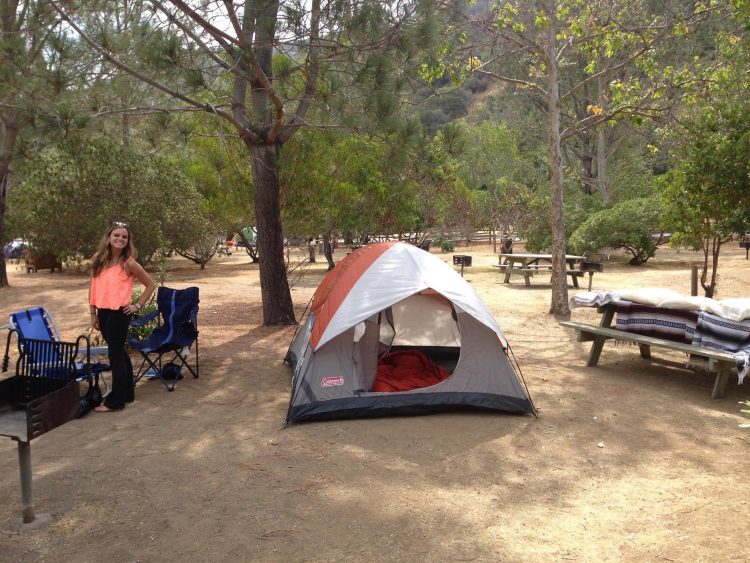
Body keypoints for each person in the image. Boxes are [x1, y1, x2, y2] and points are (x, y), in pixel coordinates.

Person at [89, 222, 155, 412]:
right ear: (109, 238)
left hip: (120, 313)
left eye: (124, 237)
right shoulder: (98, 259)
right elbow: (92, 287)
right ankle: (128, 393)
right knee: (118, 351)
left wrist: (138, 305)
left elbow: (150, 284)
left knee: (115, 354)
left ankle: (115, 401)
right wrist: (92, 313)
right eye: (116, 235)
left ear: (128, 241)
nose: (120, 239)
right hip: (103, 312)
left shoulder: (129, 263)